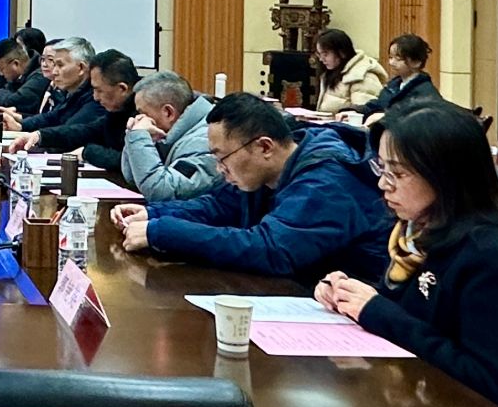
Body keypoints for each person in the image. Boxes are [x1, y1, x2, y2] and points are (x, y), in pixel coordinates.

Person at [316, 101, 498, 407]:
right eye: (382, 167)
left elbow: (485, 381)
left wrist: (377, 311)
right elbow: (410, 309)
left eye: (398, 173)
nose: (383, 184)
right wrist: (349, 295)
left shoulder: (495, 258)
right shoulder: (420, 234)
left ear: (445, 175)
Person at [110, 93, 391, 284]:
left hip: (349, 314)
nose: (219, 169)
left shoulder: (327, 181)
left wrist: (164, 231)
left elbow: (272, 249)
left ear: (264, 147)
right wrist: (153, 214)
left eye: (223, 158)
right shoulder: (270, 169)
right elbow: (220, 205)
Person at [8, 49, 136, 170]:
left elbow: (132, 161)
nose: (95, 97)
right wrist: (40, 136)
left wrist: (88, 152)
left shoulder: (143, 109)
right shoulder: (116, 110)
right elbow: (85, 131)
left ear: (122, 89)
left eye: (99, 90)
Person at [119, 71, 219, 202]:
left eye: (144, 113)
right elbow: (133, 179)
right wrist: (135, 137)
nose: (140, 119)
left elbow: (162, 191)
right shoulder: (170, 134)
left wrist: (139, 137)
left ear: (168, 112)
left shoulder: (204, 140)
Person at [1, 38, 99, 134]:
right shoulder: (72, 92)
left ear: (81, 68)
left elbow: (69, 132)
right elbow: (52, 117)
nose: (54, 72)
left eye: (60, 65)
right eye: (54, 64)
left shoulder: (95, 97)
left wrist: (39, 136)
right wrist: (20, 126)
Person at [346, 34, 441, 125]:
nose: (391, 62)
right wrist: (354, 111)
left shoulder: (425, 92)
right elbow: (377, 105)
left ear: (416, 62)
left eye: (398, 59)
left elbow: (417, 120)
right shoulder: (393, 85)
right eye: (391, 57)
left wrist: (385, 117)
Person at [311, 28, 385, 115]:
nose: (321, 59)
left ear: (342, 52)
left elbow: (362, 115)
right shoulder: (331, 73)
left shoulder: (363, 76)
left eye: (325, 54)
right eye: (319, 54)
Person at [0, 37, 48, 113]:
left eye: (1, 69)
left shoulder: (40, 76)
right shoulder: (19, 77)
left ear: (15, 64)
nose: (1, 73)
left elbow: (16, 101)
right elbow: (8, 91)